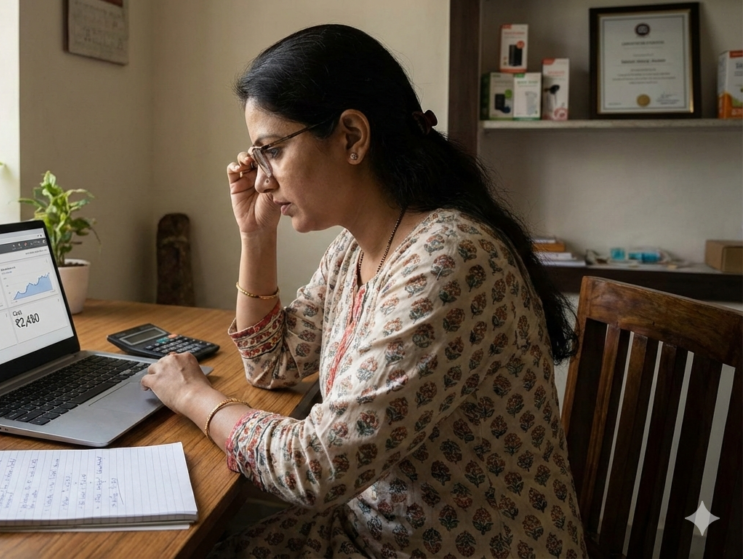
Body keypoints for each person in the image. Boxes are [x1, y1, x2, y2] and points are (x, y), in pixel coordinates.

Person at [140, 24, 587, 559]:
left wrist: (193, 396)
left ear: (352, 136)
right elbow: (273, 363)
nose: (261, 179)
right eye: (256, 158)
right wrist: (256, 237)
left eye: (272, 152)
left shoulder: (448, 261)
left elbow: (315, 467)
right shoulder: (359, 249)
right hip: (370, 533)